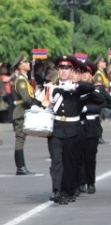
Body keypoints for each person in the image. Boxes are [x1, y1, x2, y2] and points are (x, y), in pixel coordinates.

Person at [43, 55, 95, 204]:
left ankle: (68, 190)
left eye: (67, 68)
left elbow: (91, 87)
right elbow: (41, 100)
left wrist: (76, 85)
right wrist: (35, 105)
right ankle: (57, 190)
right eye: (61, 68)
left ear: (72, 71)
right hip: (56, 129)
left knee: (69, 162)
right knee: (56, 161)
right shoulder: (52, 87)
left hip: (72, 130)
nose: (64, 71)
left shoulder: (76, 87)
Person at [77, 59, 111, 195]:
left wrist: (94, 96)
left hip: (92, 125)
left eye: (86, 73)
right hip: (79, 124)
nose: (83, 75)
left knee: (90, 156)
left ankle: (90, 182)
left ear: (91, 75)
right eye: (81, 72)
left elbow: (107, 102)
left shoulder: (96, 88)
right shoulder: (76, 88)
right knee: (79, 155)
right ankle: (81, 182)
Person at [11, 54, 42, 175]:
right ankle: (20, 167)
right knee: (20, 139)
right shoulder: (21, 80)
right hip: (21, 111)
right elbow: (26, 98)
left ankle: (21, 166)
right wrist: (36, 103)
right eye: (26, 62)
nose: (29, 64)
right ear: (21, 66)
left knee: (21, 139)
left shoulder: (24, 79)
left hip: (24, 111)